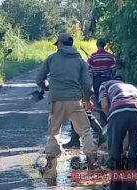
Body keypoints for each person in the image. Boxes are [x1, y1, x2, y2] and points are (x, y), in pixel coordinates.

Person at [36, 33, 97, 172]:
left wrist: (48, 87)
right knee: (85, 131)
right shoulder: (80, 61)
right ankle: (91, 160)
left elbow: (39, 79)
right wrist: (87, 100)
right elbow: (87, 85)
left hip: (56, 100)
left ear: (60, 44)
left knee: (54, 132)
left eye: (57, 43)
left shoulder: (51, 58)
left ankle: (50, 163)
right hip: (75, 100)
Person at [99, 76, 137, 190]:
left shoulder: (104, 85)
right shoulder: (133, 88)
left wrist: (110, 119)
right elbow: (130, 128)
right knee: (134, 151)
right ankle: (130, 186)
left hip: (117, 111)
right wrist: (125, 148)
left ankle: (115, 186)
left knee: (114, 152)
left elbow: (105, 106)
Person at [87, 38, 116, 103]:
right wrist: (111, 77)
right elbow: (114, 69)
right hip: (107, 79)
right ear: (104, 45)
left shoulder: (93, 56)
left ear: (97, 45)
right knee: (107, 98)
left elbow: (89, 68)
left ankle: (100, 111)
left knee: (98, 99)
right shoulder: (109, 56)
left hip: (97, 80)